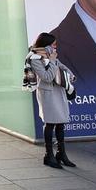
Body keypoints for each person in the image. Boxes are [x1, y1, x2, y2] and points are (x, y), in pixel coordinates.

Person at [27, 33, 76, 169]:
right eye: (53, 45)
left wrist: (71, 76)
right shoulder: (35, 58)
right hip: (47, 93)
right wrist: (53, 61)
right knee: (50, 123)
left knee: (61, 123)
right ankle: (49, 155)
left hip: (58, 91)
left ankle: (61, 154)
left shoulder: (51, 56)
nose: (55, 47)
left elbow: (63, 67)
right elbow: (47, 77)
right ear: (46, 45)